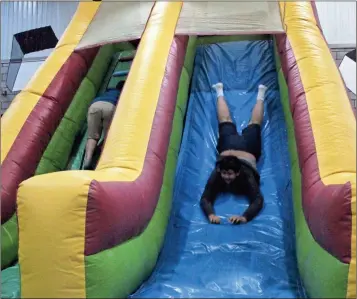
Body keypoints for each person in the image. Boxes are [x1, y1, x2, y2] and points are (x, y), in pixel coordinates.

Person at [200, 82, 267, 225]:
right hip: (236, 147)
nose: (226, 177)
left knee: (253, 122)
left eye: (229, 174)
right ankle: (219, 91)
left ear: (237, 173)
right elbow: (205, 198)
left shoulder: (246, 176)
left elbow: (258, 200)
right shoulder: (218, 173)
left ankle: (261, 94)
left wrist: (245, 217)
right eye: (224, 173)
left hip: (246, 148)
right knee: (230, 121)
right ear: (220, 170)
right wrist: (211, 214)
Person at [83, 81, 125, 170]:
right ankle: (99, 162)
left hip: (95, 105)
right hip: (111, 106)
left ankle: (87, 160)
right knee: (108, 138)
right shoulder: (124, 93)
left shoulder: (108, 91)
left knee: (92, 137)